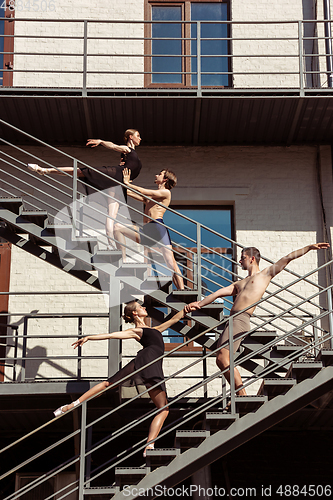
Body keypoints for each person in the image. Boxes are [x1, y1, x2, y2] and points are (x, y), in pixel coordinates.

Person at [185, 243, 330, 398]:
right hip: (232, 320)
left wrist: (309, 247)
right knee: (221, 360)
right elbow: (219, 293)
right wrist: (199, 304)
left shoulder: (265, 274)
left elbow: (287, 258)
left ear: (252, 258)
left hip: (241, 320)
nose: (240, 261)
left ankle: (241, 393)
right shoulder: (240, 283)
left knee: (222, 358)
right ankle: (240, 393)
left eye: (243, 258)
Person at [53, 300, 186, 456]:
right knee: (162, 409)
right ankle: (149, 445)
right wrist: (90, 337)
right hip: (148, 361)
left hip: (149, 363)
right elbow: (112, 335)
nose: (144, 307)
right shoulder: (136, 331)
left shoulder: (154, 329)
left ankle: (71, 405)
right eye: (140, 307)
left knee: (112, 385)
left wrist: (187, 309)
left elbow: (174, 320)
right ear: (135, 313)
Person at [27, 129, 142, 249]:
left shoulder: (129, 155)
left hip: (120, 183)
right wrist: (101, 141)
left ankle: (110, 244)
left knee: (112, 214)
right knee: (82, 172)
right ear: (130, 137)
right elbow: (114, 146)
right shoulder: (128, 150)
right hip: (115, 175)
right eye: (138, 136)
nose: (140, 138)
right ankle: (45, 170)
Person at [113, 168, 184, 290]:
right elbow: (136, 195)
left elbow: (143, 191)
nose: (156, 175)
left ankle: (182, 290)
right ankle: (123, 260)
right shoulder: (154, 196)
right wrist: (120, 186)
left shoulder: (166, 192)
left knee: (170, 263)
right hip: (146, 230)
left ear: (165, 179)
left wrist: (128, 184)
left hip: (157, 228)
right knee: (117, 228)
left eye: (160, 174)